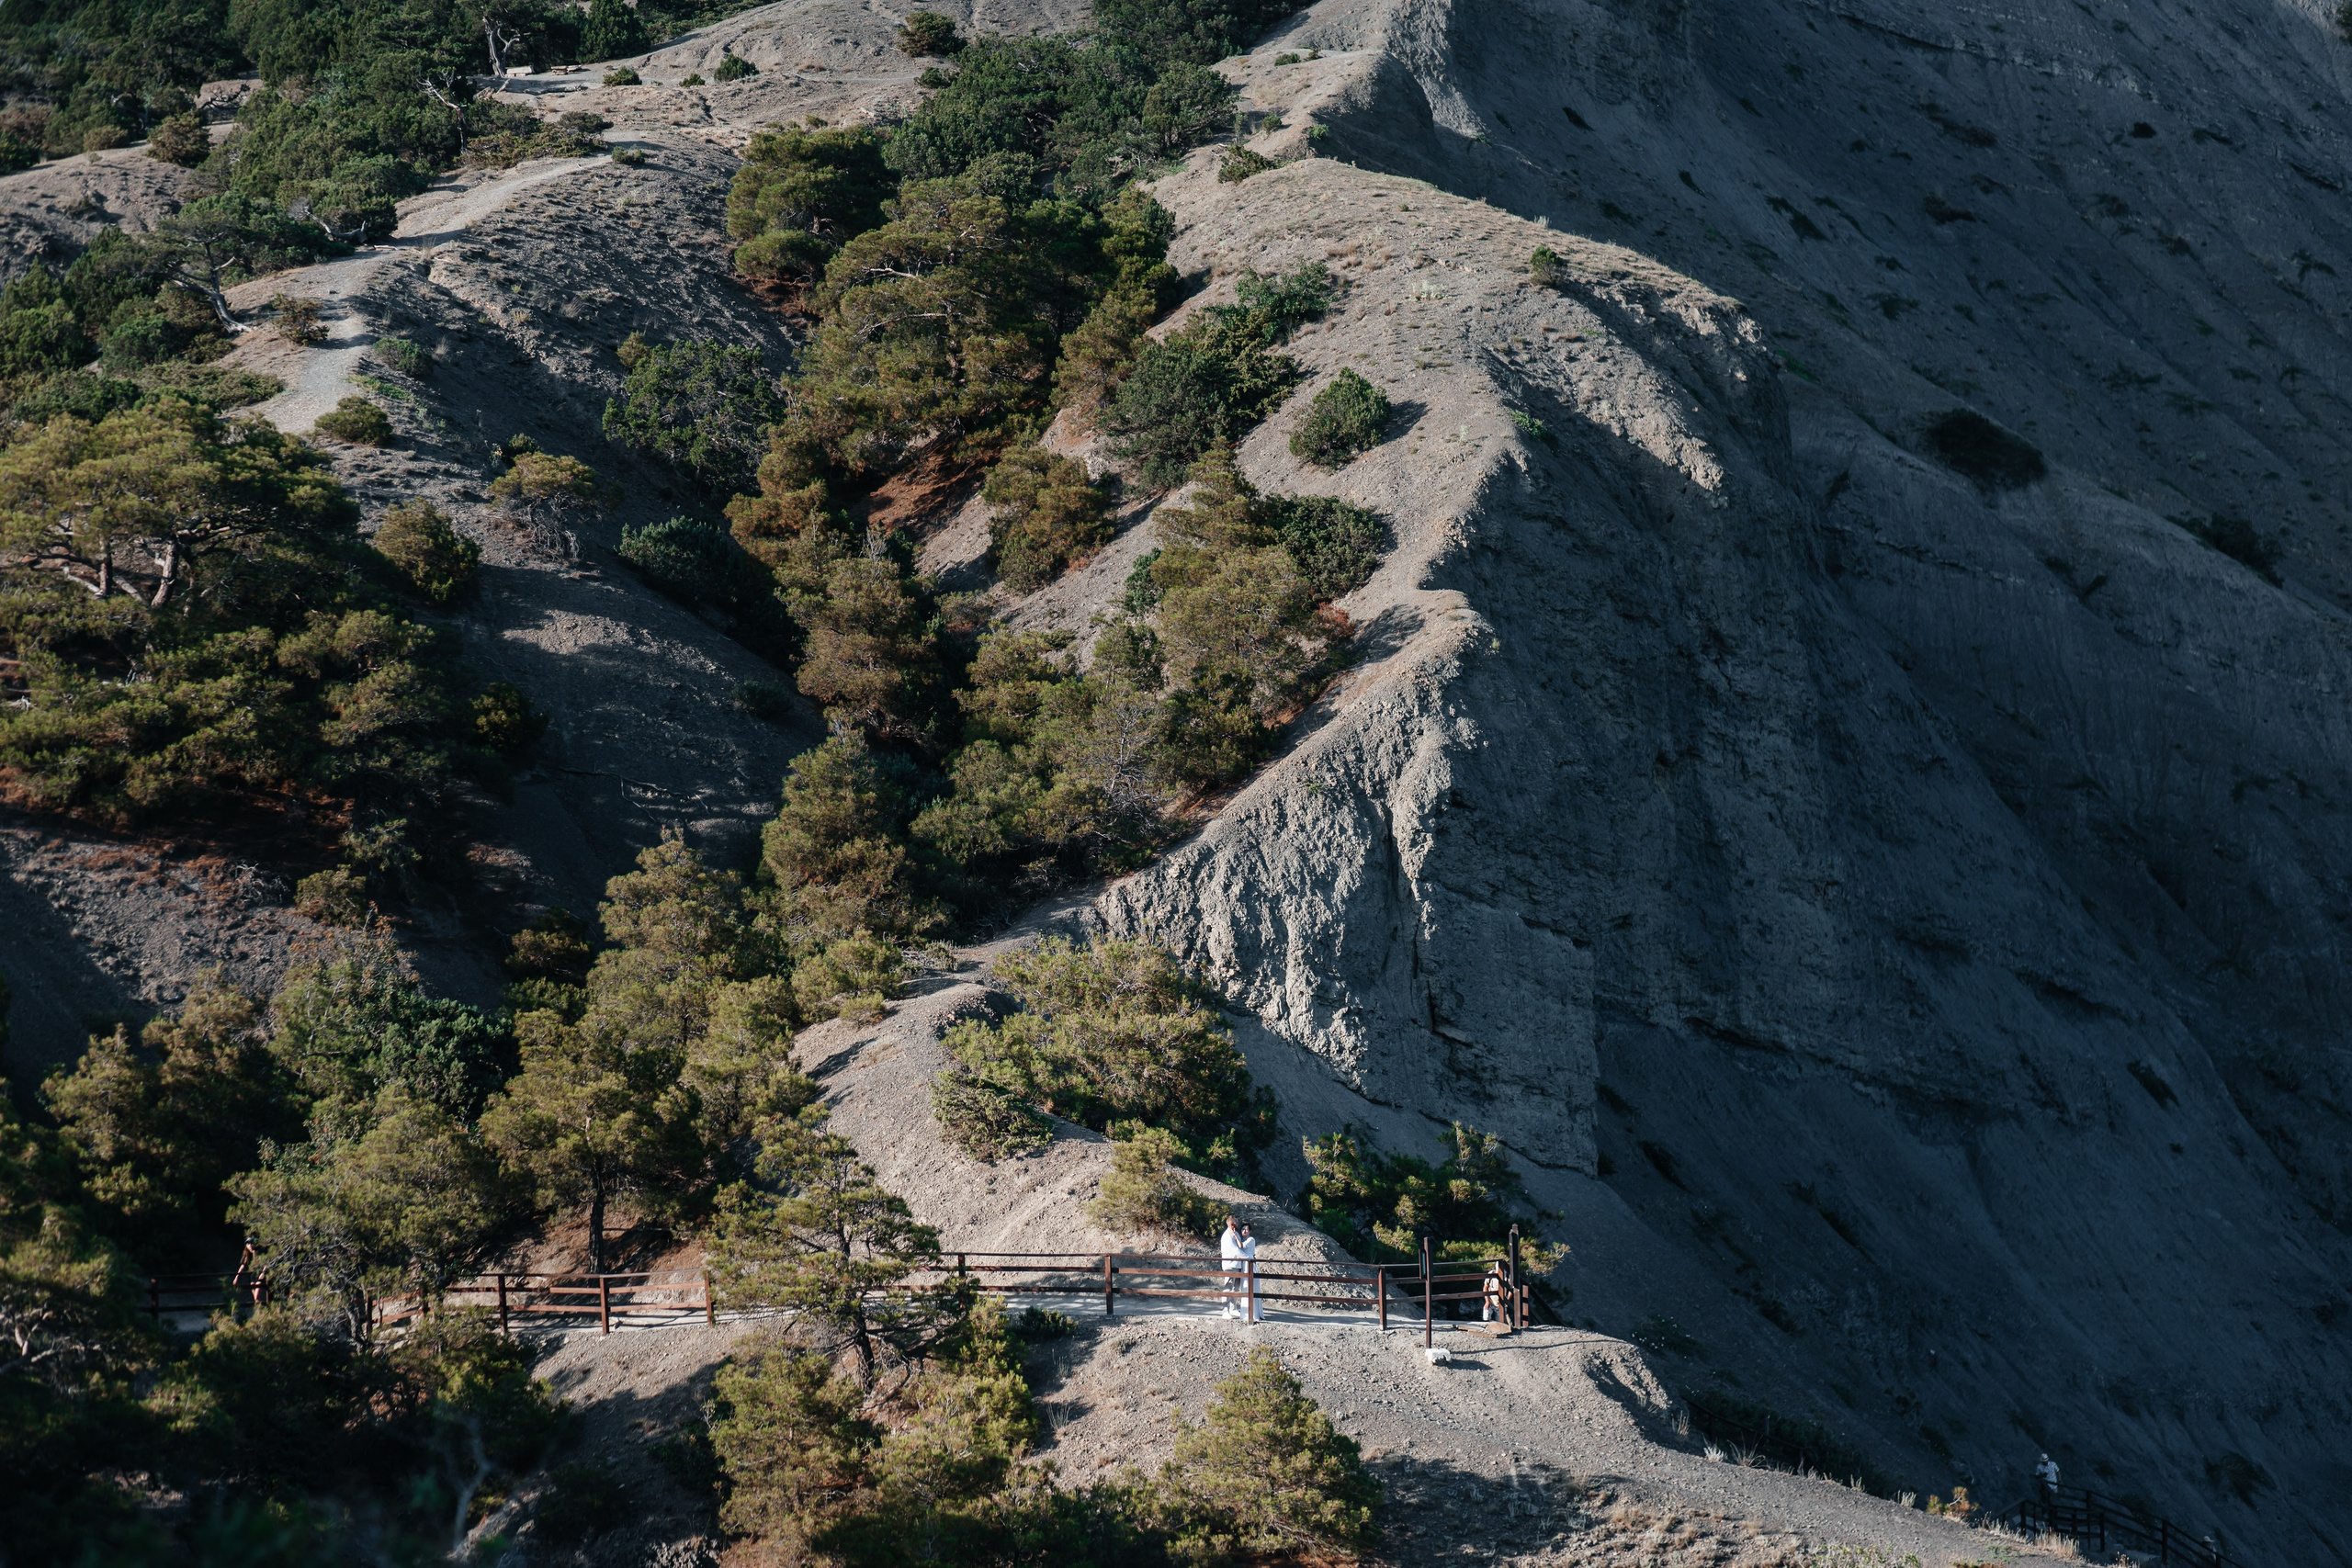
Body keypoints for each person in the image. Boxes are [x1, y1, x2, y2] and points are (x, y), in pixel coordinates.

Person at [1219, 1215, 1244, 1319]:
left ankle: (1233, 1308)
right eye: (1236, 1222)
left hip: (1238, 1264)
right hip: (1230, 1264)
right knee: (1228, 1287)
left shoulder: (1236, 1234)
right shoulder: (1227, 1236)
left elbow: (1240, 1246)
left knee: (1235, 1288)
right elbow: (1236, 1250)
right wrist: (1247, 1258)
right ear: (1231, 1224)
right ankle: (1225, 1310)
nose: (1237, 1224)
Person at [1240, 1223, 1261, 1322]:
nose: (1244, 1231)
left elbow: (1241, 1246)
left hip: (1250, 1264)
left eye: (1246, 1229)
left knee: (1251, 1287)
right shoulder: (1242, 1239)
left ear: (1250, 1231)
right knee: (1245, 1287)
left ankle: (1253, 1313)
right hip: (1244, 1265)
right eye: (1243, 1229)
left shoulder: (1251, 1240)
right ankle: (1245, 1313)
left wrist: (1235, 1235)